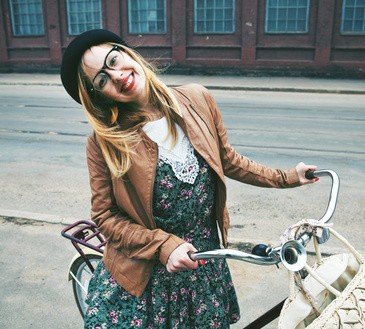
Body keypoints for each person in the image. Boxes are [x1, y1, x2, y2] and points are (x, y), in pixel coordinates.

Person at [60, 29, 318, 329]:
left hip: (205, 263)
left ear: (128, 53)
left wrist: (288, 177)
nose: (117, 75)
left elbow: (227, 160)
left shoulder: (197, 98)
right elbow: (105, 216)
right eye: (101, 80)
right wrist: (163, 246)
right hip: (148, 275)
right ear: (99, 96)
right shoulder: (103, 142)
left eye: (114, 60)